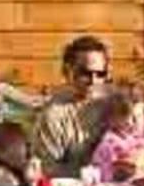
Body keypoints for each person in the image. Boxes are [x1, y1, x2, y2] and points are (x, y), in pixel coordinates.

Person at [30, 35, 112, 177]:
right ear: (68, 72)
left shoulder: (115, 106)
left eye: (100, 74)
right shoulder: (54, 115)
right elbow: (47, 169)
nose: (93, 80)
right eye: (85, 73)